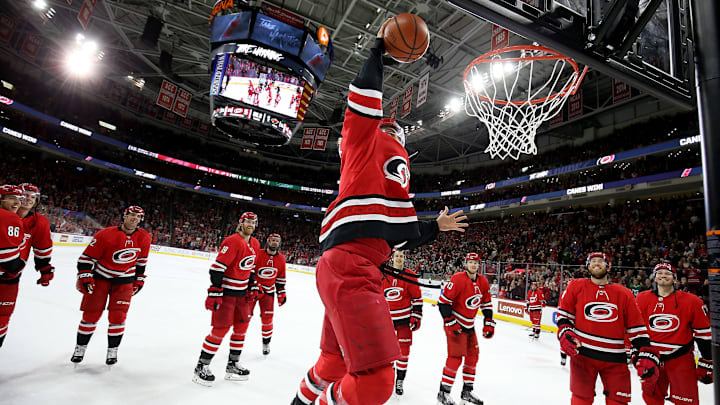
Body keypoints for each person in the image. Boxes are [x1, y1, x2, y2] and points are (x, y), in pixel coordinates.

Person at [290, 18, 468, 405]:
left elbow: (395, 230)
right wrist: (376, 57)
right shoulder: (364, 144)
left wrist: (434, 227)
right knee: (375, 384)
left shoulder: (389, 178)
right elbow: (363, 108)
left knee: (332, 364)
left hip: (355, 264)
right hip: (351, 266)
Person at [556, 252, 660, 405]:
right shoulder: (575, 286)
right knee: (580, 400)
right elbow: (564, 315)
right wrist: (565, 332)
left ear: (608, 266)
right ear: (587, 266)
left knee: (618, 401)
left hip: (615, 359)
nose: (596, 263)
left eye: (600, 261)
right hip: (583, 356)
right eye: (592, 261)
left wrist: (645, 353)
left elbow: (636, 327)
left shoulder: (624, 293)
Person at [71, 206, 151, 365]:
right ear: (125, 216)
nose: (134, 218)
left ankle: (112, 351)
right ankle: (80, 348)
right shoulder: (105, 234)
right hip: (101, 279)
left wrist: (140, 279)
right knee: (90, 316)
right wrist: (86, 276)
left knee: (118, 317)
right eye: (132, 215)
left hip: (125, 282)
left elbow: (141, 262)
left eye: (138, 216)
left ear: (141, 220)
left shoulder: (145, 237)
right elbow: (86, 259)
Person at [193, 212, 261, 386]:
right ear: (241, 223)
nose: (250, 225)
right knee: (219, 330)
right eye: (247, 221)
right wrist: (215, 291)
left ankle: (232, 364)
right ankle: (201, 366)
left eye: (253, 222)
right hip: (228, 295)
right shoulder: (232, 241)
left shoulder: (255, 243)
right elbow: (217, 269)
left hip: (242, 296)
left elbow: (251, 269)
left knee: (241, 329)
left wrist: (252, 285)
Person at [635, 263, 712, 405]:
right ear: (654, 277)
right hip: (653, 358)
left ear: (675, 278)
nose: (663, 275)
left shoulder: (692, 301)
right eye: (659, 273)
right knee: (652, 399)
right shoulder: (641, 299)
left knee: (686, 401)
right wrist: (637, 354)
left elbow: (703, 334)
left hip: (680, 359)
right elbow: (635, 329)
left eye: (668, 273)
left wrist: (708, 360)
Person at [436, 252, 494, 405]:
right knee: (455, 358)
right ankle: (443, 392)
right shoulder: (458, 279)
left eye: (476, 262)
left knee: (472, 357)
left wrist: (488, 321)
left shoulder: (483, 282)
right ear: (466, 264)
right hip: (456, 324)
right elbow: (443, 303)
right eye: (471, 262)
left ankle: (467, 391)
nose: (473, 265)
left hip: (469, 325)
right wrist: (450, 322)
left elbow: (486, 304)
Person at [381, 249, 423, 396]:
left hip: (404, 321)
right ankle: (389, 376)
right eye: (396, 256)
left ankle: (400, 380)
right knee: (387, 352)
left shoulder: (410, 275)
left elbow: (417, 297)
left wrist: (416, 315)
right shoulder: (383, 273)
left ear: (404, 258)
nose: (399, 258)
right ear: (392, 258)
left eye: (401, 256)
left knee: (404, 353)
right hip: (386, 321)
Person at [250, 233, 286, 356]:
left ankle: (266, 343)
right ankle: (237, 342)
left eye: (277, 240)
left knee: (267, 320)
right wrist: (254, 284)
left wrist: (281, 292)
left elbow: (280, 278)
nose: (275, 242)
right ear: (268, 241)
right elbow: (249, 271)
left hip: (269, 293)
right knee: (244, 317)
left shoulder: (281, 259)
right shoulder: (258, 254)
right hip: (253, 291)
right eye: (273, 240)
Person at [0, 185, 27, 348]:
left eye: (18, 198)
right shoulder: (10, 218)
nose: (16, 202)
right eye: (11, 198)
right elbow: (9, 261)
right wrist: (20, 265)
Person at [16, 184, 54, 288]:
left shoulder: (39, 222)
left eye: (32, 197)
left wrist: (45, 269)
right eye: (25, 195)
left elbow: (42, 247)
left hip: (12, 273)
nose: (29, 199)